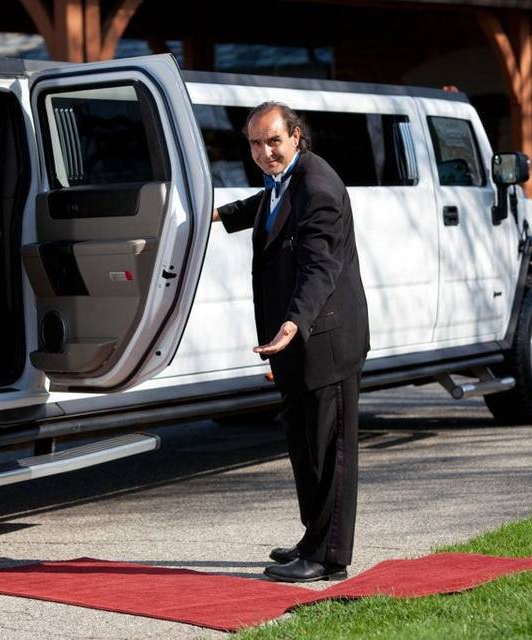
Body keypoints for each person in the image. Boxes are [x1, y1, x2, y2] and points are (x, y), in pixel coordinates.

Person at [213, 102, 369, 582]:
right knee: (304, 447)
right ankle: (312, 539)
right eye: (255, 144)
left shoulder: (319, 186)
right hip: (294, 341)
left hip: (324, 339)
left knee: (330, 452)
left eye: (273, 141)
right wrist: (217, 214)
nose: (264, 153)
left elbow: (321, 266)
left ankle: (329, 559)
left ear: (296, 136)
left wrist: (292, 323)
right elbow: (267, 206)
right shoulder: (285, 180)